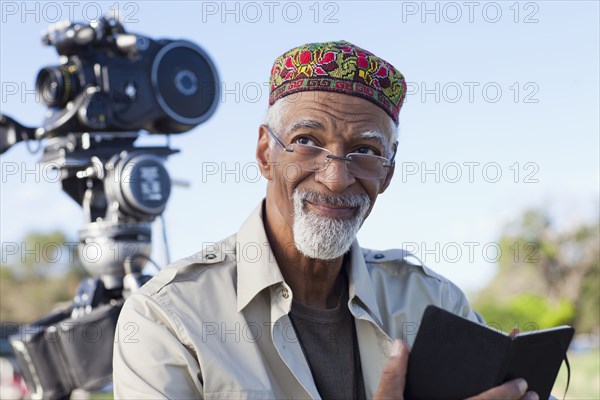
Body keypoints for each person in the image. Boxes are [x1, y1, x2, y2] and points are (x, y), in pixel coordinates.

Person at [113, 40, 539, 400]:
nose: (336, 178)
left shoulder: (432, 303)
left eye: (366, 151)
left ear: (387, 172)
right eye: (306, 141)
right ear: (265, 153)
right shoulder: (168, 318)